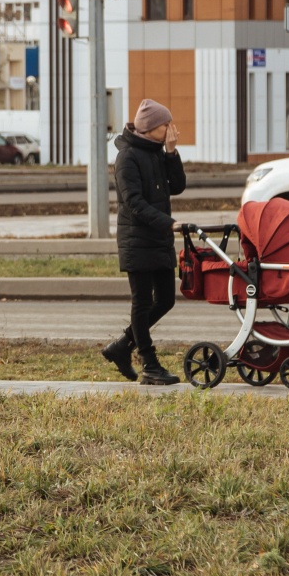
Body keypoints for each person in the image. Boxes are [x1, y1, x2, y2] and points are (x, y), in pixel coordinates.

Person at [101, 99, 186, 385]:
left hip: (158, 238)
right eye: (166, 124)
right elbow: (134, 202)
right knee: (142, 302)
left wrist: (172, 153)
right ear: (151, 128)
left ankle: (122, 346)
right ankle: (149, 364)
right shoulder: (127, 158)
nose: (170, 129)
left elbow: (177, 186)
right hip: (137, 239)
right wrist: (169, 223)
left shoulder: (157, 152)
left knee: (165, 300)